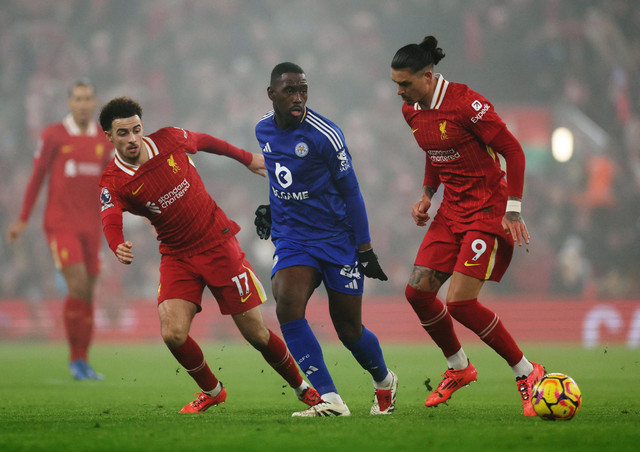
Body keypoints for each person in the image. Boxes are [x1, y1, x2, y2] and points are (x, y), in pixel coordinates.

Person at [97, 96, 321, 414]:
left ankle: (303, 390)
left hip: (218, 245)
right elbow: (110, 217)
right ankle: (212, 390)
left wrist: (246, 158)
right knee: (172, 333)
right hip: (176, 256)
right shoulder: (112, 181)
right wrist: (115, 242)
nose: (132, 138)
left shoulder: (170, 139)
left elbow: (205, 141)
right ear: (109, 135)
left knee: (256, 333)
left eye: (136, 129)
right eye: (123, 133)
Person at [390, 36, 544, 416]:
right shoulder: (412, 110)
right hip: (450, 211)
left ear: (427, 76)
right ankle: (459, 367)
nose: (399, 92)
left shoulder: (466, 104)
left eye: (405, 83)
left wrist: (513, 208)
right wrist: (427, 194)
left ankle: (527, 372)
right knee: (417, 294)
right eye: (395, 83)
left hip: (487, 209)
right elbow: (433, 151)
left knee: (459, 302)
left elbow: (513, 150)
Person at [253, 62, 397, 417]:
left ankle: (384, 379)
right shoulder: (262, 129)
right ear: (272, 94)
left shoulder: (325, 135)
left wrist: (364, 249)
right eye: (290, 91)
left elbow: (352, 193)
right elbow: (280, 174)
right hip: (294, 238)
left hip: (337, 239)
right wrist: (272, 206)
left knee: (348, 330)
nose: (298, 98)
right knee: (286, 303)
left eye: (303, 90)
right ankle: (330, 399)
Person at [7, 78, 112, 380]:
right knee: (77, 285)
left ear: (94, 104)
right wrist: (23, 218)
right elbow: (37, 176)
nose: (82, 103)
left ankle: (84, 360)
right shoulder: (54, 135)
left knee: (89, 294)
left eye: (87, 98)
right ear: (70, 103)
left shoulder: (103, 141)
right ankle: (75, 359)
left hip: (92, 226)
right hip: (61, 224)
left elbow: (112, 181)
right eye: (77, 98)